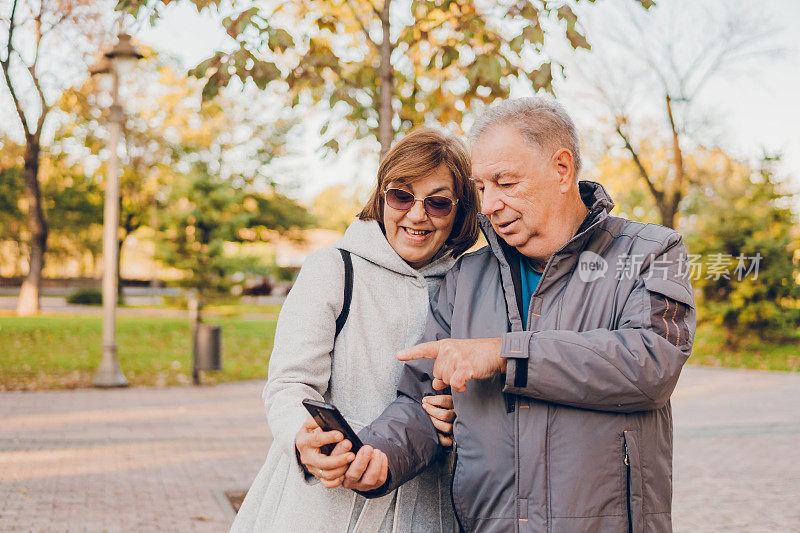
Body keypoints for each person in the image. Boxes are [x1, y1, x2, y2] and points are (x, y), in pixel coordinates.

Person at [325, 97, 696, 532]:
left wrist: (506, 353)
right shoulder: (465, 277)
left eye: (505, 182)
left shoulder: (653, 251)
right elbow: (421, 400)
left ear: (562, 169)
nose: (489, 205)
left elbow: (650, 363)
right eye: (482, 187)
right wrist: (378, 454)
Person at [230, 127, 480, 532]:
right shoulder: (333, 269)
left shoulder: (470, 286)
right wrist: (304, 438)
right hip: (324, 503)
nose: (417, 215)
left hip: (424, 504)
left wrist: (461, 413)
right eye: (401, 195)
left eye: (438, 203)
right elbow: (289, 382)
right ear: (381, 195)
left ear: (460, 213)